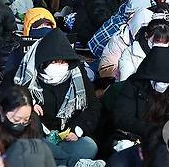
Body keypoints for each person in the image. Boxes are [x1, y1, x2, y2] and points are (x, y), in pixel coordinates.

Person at [13, 29, 103, 167]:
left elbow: (93, 107)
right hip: (36, 138)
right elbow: (9, 104)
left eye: (63, 62)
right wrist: (28, 103)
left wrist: (77, 129)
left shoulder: (77, 75)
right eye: (55, 61)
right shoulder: (27, 77)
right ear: (43, 62)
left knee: (89, 147)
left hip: (65, 138)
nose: (60, 66)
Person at [114, 45, 169, 140]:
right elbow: (122, 118)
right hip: (136, 136)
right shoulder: (134, 84)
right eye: (156, 80)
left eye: (166, 82)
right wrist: (155, 131)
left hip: (167, 139)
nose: (160, 84)